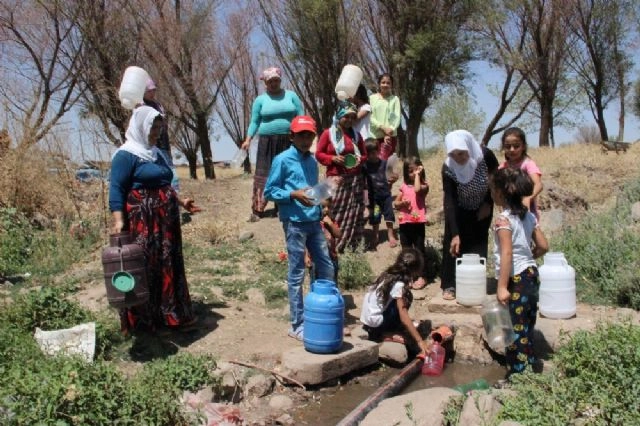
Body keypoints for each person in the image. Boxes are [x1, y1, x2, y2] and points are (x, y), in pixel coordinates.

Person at [109, 106, 201, 334]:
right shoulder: (125, 155)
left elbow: (165, 183)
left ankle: (171, 315)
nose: (157, 132)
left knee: (168, 263)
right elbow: (116, 189)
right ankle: (145, 322)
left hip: (166, 220)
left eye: (159, 128)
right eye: (153, 127)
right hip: (143, 220)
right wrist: (119, 221)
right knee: (145, 266)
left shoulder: (156, 153)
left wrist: (181, 202)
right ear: (141, 126)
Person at [264, 115, 335, 341]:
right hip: (294, 223)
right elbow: (269, 191)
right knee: (296, 273)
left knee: (325, 266)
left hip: (314, 221)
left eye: (309, 136)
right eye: (301, 135)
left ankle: (318, 313)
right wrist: (293, 194)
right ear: (292, 137)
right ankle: (297, 324)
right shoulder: (282, 160)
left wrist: (325, 193)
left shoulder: (312, 161)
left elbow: (312, 192)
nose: (306, 140)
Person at [490, 168, 549, 375]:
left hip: (516, 280)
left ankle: (518, 377)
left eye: (493, 189)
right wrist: (529, 257)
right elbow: (543, 246)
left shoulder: (503, 220)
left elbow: (507, 253)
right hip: (532, 275)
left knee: (514, 331)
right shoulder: (529, 216)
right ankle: (530, 369)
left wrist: (502, 287)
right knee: (527, 327)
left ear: (500, 192)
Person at [441, 129, 498, 301]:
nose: (458, 158)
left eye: (461, 153)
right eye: (453, 154)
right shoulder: (448, 167)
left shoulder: (485, 156)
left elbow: (496, 179)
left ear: (469, 147)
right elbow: (449, 200)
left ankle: (475, 283)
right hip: (459, 208)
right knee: (454, 246)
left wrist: (488, 203)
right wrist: (455, 233)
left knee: (478, 244)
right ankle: (450, 284)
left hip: (483, 205)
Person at [241, 67, 304, 222]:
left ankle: (283, 206)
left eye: (276, 80)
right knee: (263, 174)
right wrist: (248, 139)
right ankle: (258, 208)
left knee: (287, 172)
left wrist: (302, 135)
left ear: (280, 80)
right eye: (270, 81)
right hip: (266, 141)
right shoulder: (260, 100)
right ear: (266, 83)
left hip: (289, 140)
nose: (274, 84)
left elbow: (300, 115)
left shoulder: (291, 96)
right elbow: (255, 121)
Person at [315, 101, 367, 252]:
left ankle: (351, 244)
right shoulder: (328, 134)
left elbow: (364, 154)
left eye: (352, 117)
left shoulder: (356, 135)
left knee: (354, 211)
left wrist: (359, 160)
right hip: (336, 179)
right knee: (335, 210)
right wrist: (332, 158)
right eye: (346, 116)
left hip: (355, 179)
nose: (349, 120)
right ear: (339, 116)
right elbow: (319, 154)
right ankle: (334, 244)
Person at [360, 248, 430, 358]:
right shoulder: (399, 285)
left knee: (404, 297)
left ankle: (389, 329)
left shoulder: (388, 274)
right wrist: (420, 341)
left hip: (368, 320)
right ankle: (385, 334)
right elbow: (404, 316)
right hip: (375, 325)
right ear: (415, 270)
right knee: (407, 297)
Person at [394, 156, 429, 290]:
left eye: (416, 170)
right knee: (406, 250)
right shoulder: (403, 187)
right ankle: (407, 276)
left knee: (419, 249)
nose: (413, 173)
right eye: (410, 171)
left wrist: (418, 175)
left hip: (418, 223)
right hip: (405, 223)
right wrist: (402, 203)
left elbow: (417, 190)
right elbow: (396, 203)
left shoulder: (424, 186)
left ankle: (421, 276)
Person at [143, 79, 180, 192]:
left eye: (154, 90)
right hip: (149, 147)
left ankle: (173, 197)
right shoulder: (141, 106)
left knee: (172, 174)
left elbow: (164, 129)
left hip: (163, 145)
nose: (152, 93)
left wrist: (167, 148)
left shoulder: (158, 106)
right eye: (149, 91)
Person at [499, 127, 543, 221]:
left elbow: (538, 185)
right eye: (508, 146)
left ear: (523, 146)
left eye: (516, 146)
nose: (512, 149)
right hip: (508, 211)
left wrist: (528, 198)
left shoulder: (528, 164)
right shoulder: (502, 167)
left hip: (528, 212)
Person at [362, 139, 397, 249]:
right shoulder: (365, 167)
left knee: (389, 215)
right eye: (368, 153)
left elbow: (392, 176)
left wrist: (394, 179)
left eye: (373, 152)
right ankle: (375, 235)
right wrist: (366, 203)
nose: (371, 156)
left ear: (378, 151)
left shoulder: (385, 164)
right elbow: (364, 186)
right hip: (374, 199)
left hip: (386, 196)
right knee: (376, 217)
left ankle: (391, 235)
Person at [369, 73, 401, 161]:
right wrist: (381, 127)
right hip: (375, 137)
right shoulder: (371, 98)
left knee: (388, 164)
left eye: (388, 83)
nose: (385, 85)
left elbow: (397, 117)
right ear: (379, 84)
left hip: (390, 137)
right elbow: (370, 116)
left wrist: (389, 132)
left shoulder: (395, 99)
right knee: (375, 162)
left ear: (392, 85)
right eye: (383, 82)